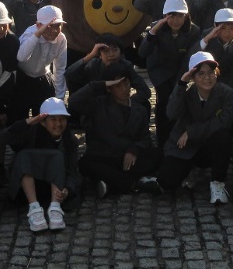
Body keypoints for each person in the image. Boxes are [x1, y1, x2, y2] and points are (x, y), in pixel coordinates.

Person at [68, 64, 163, 197]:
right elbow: (73, 102)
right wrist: (99, 85)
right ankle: (133, 184)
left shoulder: (139, 109)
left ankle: (109, 183)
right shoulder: (98, 104)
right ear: (109, 88)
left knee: (158, 154)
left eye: (126, 84)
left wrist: (134, 150)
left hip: (127, 158)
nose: (124, 89)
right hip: (103, 156)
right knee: (85, 164)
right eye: (118, 86)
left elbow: (145, 138)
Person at [153, 51, 233, 203]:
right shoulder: (185, 93)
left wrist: (191, 131)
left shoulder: (226, 93)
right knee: (167, 182)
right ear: (192, 77)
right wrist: (180, 85)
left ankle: (217, 182)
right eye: (201, 74)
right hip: (185, 146)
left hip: (208, 146)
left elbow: (223, 122)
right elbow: (171, 113)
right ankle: (188, 171)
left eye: (211, 73)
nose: (207, 78)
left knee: (223, 136)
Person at [3, 98, 81, 232]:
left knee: (57, 156)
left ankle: (55, 207)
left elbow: (72, 170)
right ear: (43, 122)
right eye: (53, 120)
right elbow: (3, 138)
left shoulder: (70, 140)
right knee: (24, 156)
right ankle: (34, 208)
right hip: (28, 186)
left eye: (62, 119)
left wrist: (67, 190)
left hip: (54, 186)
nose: (58, 124)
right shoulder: (30, 134)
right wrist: (27, 122)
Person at [139, 0, 201, 147]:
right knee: (164, 101)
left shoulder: (194, 31)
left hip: (180, 69)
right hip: (159, 70)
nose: (175, 20)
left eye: (180, 15)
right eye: (171, 15)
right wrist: (153, 31)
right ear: (165, 16)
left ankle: (178, 135)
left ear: (186, 16)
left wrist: (180, 81)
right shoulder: (157, 28)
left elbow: (188, 57)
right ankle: (163, 139)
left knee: (179, 100)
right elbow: (143, 52)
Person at [64, 33, 151, 106]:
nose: (111, 54)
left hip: (120, 104)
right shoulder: (93, 65)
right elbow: (69, 74)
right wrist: (91, 54)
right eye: (106, 51)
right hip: (97, 106)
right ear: (99, 54)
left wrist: (126, 102)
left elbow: (145, 91)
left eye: (115, 50)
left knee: (145, 104)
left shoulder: (126, 65)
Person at [193, 8, 233, 115]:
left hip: (231, 86)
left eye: (231, 28)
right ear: (216, 27)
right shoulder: (207, 35)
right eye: (223, 28)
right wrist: (206, 40)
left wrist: (223, 93)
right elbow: (193, 56)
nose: (227, 32)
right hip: (208, 81)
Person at [16, 5, 68, 120]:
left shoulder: (61, 39)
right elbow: (21, 57)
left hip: (43, 76)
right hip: (22, 77)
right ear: (38, 25)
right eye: (49, 26)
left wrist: (59, 98)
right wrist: (37, 35)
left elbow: (60, 69)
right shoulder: (29, 34)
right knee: (19, 116)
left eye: (58, 26)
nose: (54, 30)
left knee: (45, 116)